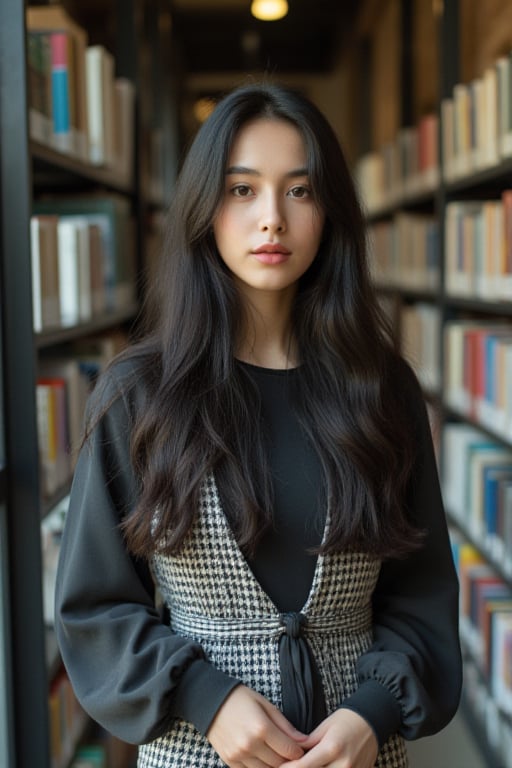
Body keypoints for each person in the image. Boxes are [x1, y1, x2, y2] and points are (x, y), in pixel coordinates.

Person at [55, 82, 462, 768]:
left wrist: (371, 714)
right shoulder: (140, 393)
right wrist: (206, 696)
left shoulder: (381, 388)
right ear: (203, 209)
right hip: (195, 749)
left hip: (360, 753)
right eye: (242, 190)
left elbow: (421, 592)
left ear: (329, 211)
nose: (271, 218)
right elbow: (95, 608)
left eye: (299, 191)